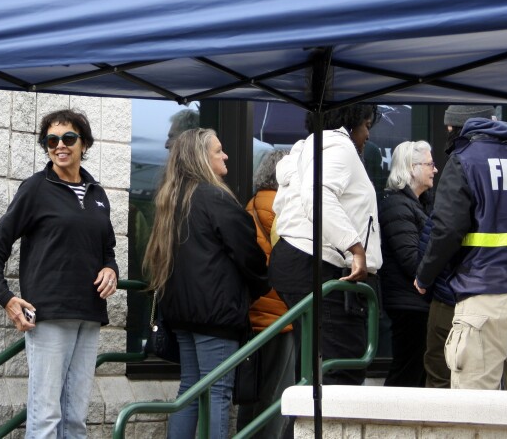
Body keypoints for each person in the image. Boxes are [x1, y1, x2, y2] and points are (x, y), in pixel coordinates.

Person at [0, 109, 118, 438]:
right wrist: (6, 298)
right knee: (46, 416)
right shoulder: (35, 189)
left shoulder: (98, 194)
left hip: (88, 314)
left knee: (75, 420)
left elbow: (108, 250)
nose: (59, 145)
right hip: (49, 315)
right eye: (51, 140)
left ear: (84, 143)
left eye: (68, 138)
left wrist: (111, 270)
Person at [143, 128, 268, 439]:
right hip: (215, 313)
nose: (225, 156)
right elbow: (249, 253)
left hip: (181, 313)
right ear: (202, 158)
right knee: (217, 392)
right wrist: (260, 286)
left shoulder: (172, 198)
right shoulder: (215, 197)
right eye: (219, 151)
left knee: (191, 388)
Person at [268, 104, 381, 386]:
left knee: (313, 370)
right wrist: (355, 248)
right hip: (317, 262)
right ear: (351, 120)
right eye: (366, 125)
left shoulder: (308, 150)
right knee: (343, 371)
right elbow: (317, 194)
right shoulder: (338, 146)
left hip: (299, 259)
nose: (367, 134)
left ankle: (301, 429)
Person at [415, 116, 507, 390]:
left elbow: (447, 228)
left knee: (473, 413)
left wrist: (424, 277)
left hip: (483, 294)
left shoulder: (466, 159)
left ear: (453, 128)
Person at [236, 149, 295, 439]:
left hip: (257, 313)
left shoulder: (252, 205)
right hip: (280, 315)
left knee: (258, 397)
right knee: (276, 397)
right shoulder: (282, 210)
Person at [378, 141, 435, 387]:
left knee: (414, 372)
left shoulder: (417, 204)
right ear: (412, 168)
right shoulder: (397, 206)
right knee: (407, 374)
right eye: (430, 164)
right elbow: (412, 260)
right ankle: (387, 424)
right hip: (409, 305)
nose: (435, 169)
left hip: (416, 303)